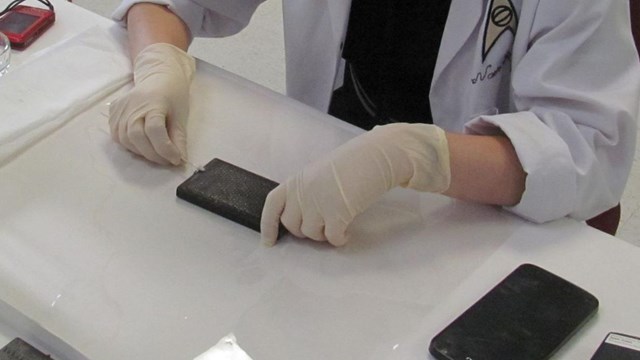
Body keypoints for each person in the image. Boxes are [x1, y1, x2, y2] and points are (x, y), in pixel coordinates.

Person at [109, 0, 640, 247]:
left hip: (474, 221)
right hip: (321, 195)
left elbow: (588, 146)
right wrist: (158, 66)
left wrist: (417, 155)